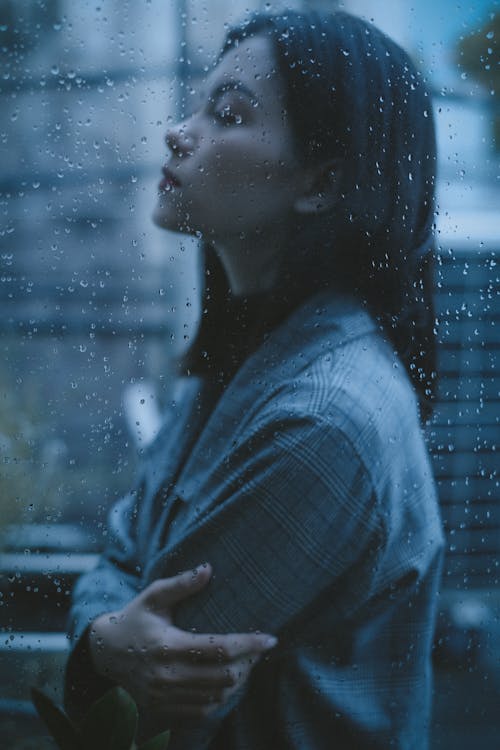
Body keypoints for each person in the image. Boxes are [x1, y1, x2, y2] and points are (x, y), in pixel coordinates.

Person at [65, 9, 444, 749]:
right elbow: (120, 564)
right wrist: (108, 634)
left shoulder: (322, 419)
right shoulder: (255, 354)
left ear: (323, 183)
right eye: (198, 104)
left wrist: (104, 639)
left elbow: (148, 690)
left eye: (228, 114)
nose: (180, 131)